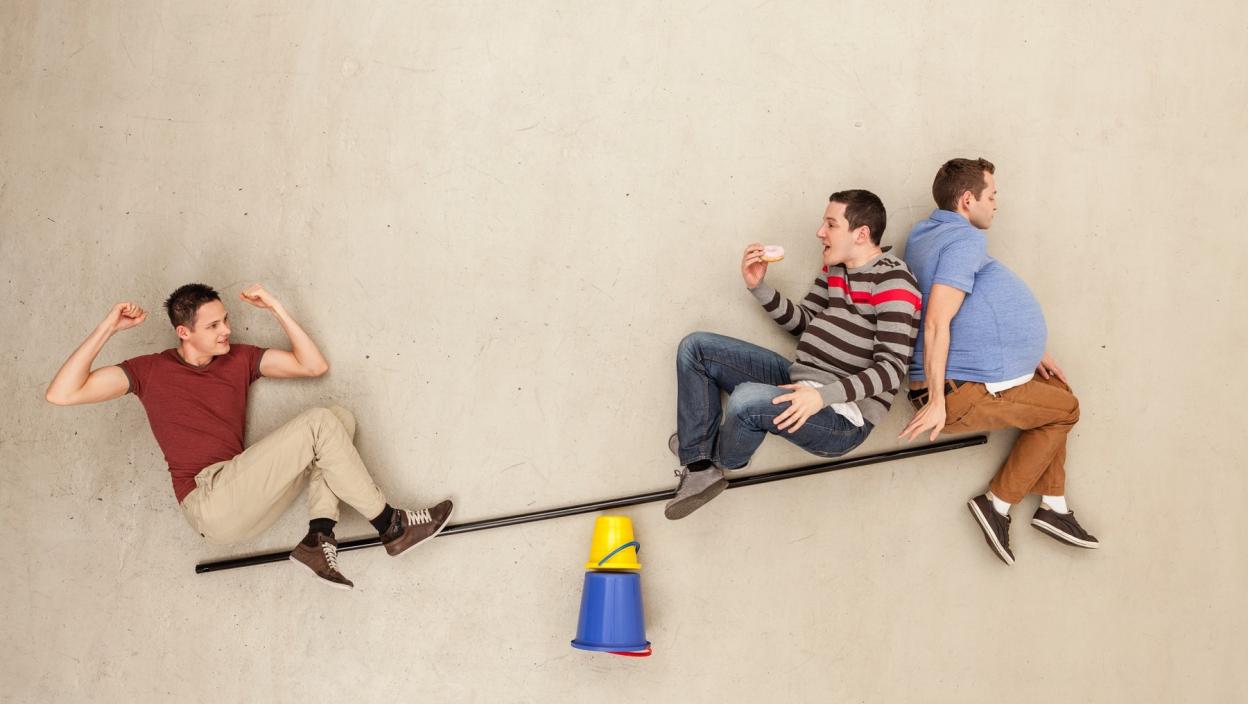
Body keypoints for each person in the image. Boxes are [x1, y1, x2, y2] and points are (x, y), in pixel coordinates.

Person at [45, 283, 453, 590]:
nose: (227, 330)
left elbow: (313, 366)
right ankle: (392, 526)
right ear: (184, 332)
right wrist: (109, 327)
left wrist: (276, 308)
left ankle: (318, 537)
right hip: (208, 499)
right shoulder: (148, 371)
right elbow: (61, 393)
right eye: (214, 325)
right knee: (319, 423)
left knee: (337, 420)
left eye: (225, 320)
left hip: (245, 495)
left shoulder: (238, 359)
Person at [667, 190, 922, 519]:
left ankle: (710, 455)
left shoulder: (894, 280)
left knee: (745, 400)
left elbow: (890, 370)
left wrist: (821, 398)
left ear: (861, 234)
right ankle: (700, 465)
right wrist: (758, 287)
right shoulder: (835, 269)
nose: (820, 232)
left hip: (842, 415)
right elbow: (803, 323)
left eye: (831, 224)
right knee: (696, 348)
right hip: (799, 380)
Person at [899, 157, 1099, 565]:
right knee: (1066, 410)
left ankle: (1054, 506)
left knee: (1056, 389)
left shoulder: (927, 234)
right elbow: (936, 321)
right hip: (959, 391)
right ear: (967, 200)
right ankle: (997, 504)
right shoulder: (964, 240)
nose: (996, 204)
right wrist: (936, 399)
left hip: (966, 379)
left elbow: (968, 305)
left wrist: (1026, 348)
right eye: (991, 195)